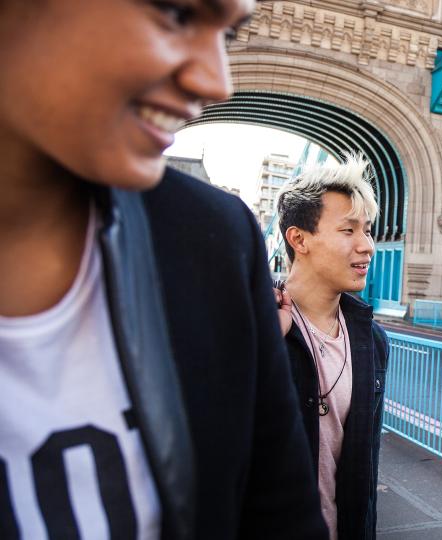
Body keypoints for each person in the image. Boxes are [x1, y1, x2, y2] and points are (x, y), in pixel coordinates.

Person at [0, 1, 327, 538]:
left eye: (232, 33)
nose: (216, 81)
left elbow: (281, 517)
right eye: (176, 13)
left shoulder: (215, 239)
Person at [273, 155, 389, 540]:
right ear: (299, 239)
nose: (366, 246)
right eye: (348, 230)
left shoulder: (372, 340)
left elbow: (364, 468)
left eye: (368, 231)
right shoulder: (252, 325)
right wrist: (262, 346)